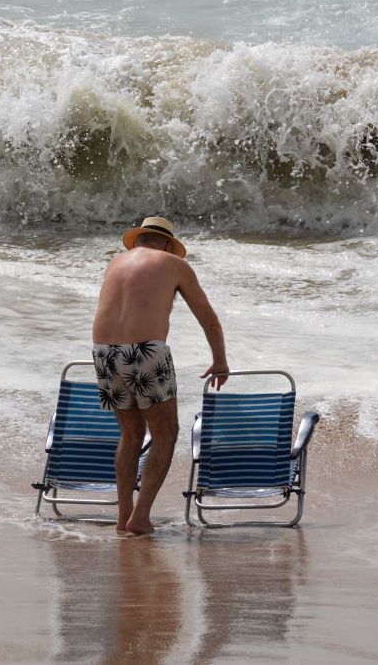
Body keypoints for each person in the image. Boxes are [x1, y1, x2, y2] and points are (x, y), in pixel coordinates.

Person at [91, 216, 228, 536]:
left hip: (104, 353)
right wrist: (220, 361)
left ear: (138, 241)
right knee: (165, 433)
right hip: (146, 352)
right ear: (167, 244)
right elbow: (208, 317)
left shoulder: (115, 263)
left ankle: (124, 515)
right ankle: (140, 518)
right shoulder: (174, 264)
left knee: (130, 435)